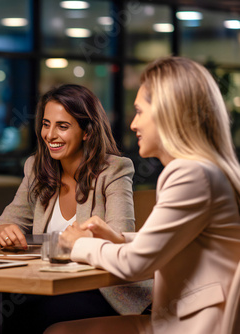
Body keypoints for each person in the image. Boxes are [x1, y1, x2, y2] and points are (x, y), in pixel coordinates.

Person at [47, 57, 240, 334]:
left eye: (139, 111)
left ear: (167, 113)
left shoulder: (189, 173)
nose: (133, 124)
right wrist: (119, 239)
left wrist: (76, 244)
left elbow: (135, 264)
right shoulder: (211, 170)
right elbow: (181, 240)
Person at [0, 84, 152, 332]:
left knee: (22, 314)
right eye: (46, 124)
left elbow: (120, 237)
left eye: (62, 126)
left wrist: (86, 239)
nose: (50, 135)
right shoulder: (36, 168)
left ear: (86, 131)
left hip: (105, 291)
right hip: (50, 284)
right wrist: (2, 232)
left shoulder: (114, 170)